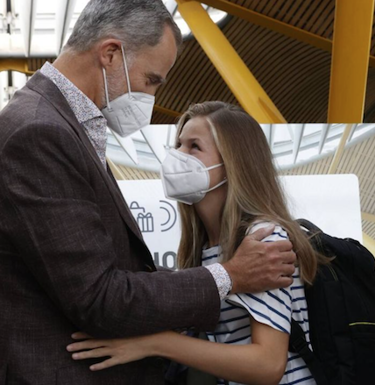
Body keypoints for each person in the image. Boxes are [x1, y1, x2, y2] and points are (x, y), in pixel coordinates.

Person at [0, 1, 295, 383]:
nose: (150, 96)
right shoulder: (40, 131)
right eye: (152, 79)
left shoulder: (58, 125)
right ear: (110, 54)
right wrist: (230, 276)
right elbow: (99, 297)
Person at [67, 102, 326, 385]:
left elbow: (268, 364)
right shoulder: (205, 247)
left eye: (194, 147)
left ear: (232, 163)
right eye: (178, 144)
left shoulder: (262, 240)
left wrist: (154, 343)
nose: (177, 155)